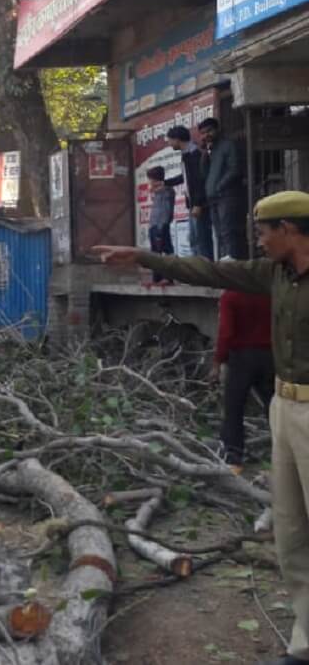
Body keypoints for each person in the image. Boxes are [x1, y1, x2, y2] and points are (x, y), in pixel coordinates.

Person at [94, 190, 309, 665]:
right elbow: (211, 272)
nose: (260, 240)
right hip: (284, 408)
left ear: (289, 229)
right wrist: (145, 256)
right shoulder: (273, 273)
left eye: (264, 232)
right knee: (292, 534)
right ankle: (305, 643)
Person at [214, 290, 274, 472]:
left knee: (234, 407)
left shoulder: (230, 296)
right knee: (274, 406)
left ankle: (234, 458)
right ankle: (282, 455)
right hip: (270, 356)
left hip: (241, 357)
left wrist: (217, 361)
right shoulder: (270, 292)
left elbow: (226, 332)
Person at [198, 117, 248, 260]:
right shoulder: (210, 150)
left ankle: (235, 265)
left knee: (229, 231)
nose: (206, 135)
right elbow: (204, 174)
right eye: (202, 133)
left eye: (209, 131)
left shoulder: (228, 145)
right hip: (214, 198)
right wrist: (204, 154)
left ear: (217, 130)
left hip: (228, 195)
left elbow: (235, 169)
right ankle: (226, 266)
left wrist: (220, 186)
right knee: (219, 233)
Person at [165, 125, 213, 258]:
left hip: (200, 204)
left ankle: (206, 271)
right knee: (194, 239)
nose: (169, 143)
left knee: (201, 239)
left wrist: (198, 204)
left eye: (170, 140)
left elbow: (200, 181)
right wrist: (165, 183)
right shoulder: (186, 154)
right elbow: (187, 178)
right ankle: (198, 271)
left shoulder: (194, 154)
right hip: (193, 203)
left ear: (177, 139)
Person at [147, 166, 175, 285]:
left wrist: (162, 225)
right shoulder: (157, 193)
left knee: (165, 251)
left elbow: (166, 210)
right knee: (155, 253)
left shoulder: (167, 191)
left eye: (151, 180)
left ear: (156, 180)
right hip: (154, 225)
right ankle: (156, 278)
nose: (149, 183)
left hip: (161, 226)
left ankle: (168, 277)